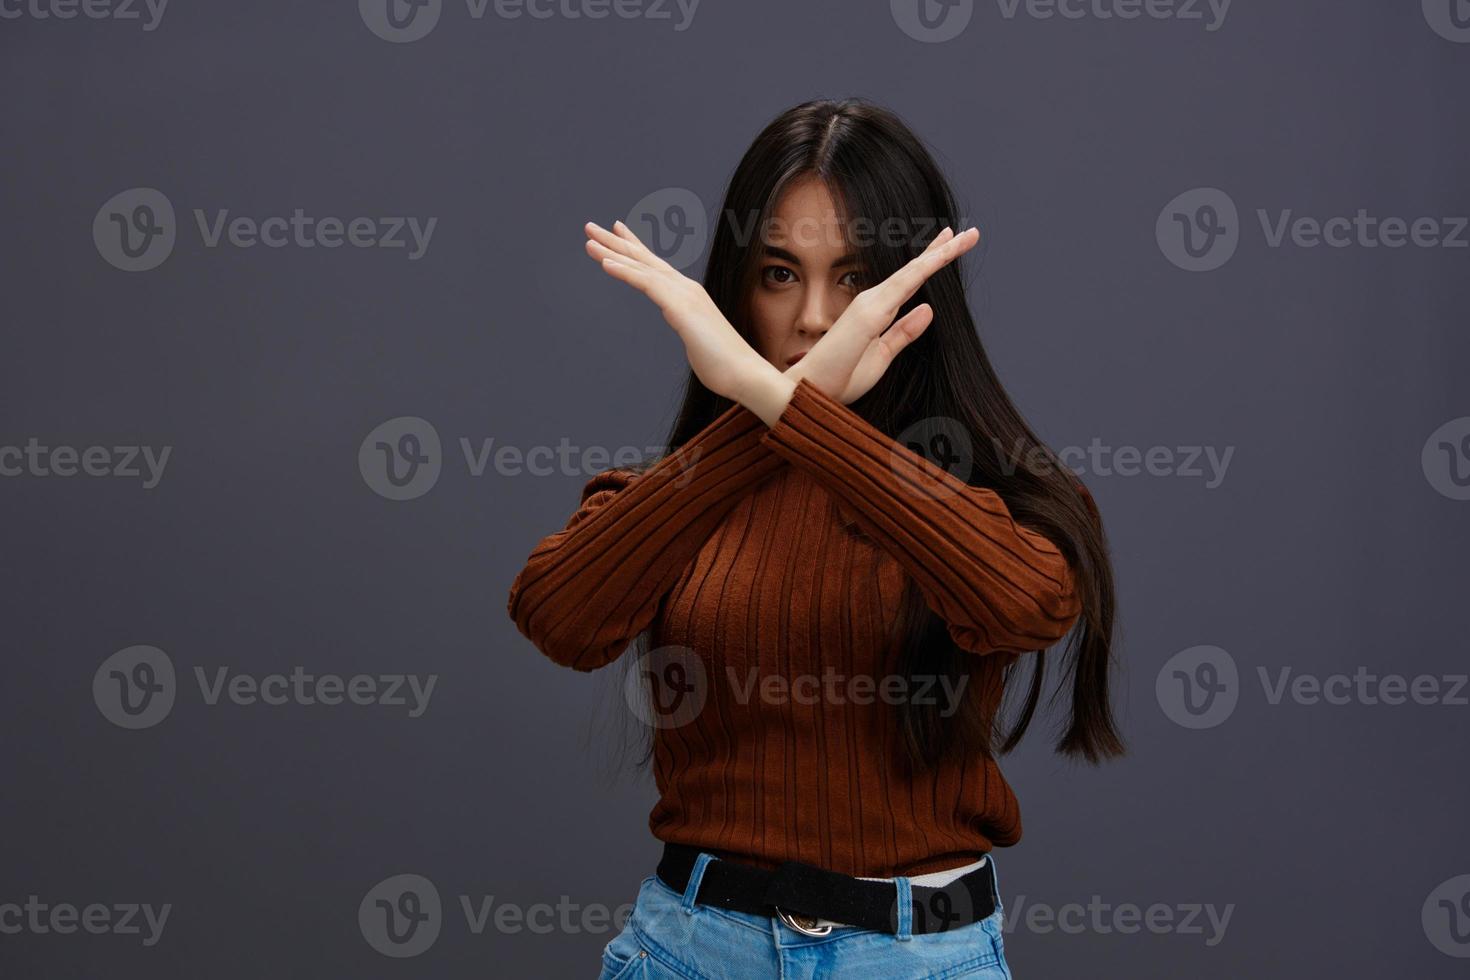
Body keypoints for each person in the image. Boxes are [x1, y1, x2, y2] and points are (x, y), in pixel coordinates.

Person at [507, 97, 1123, 979]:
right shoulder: (678, 494)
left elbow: (1024, 603)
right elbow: (558, 616)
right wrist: (764, 422)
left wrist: (771, 398)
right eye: (780, 275)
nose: (815, 320)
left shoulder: (996, 501)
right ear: (733, 291)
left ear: (916, 289)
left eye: (855, 277)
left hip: (918, 956)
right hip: (691, 951)